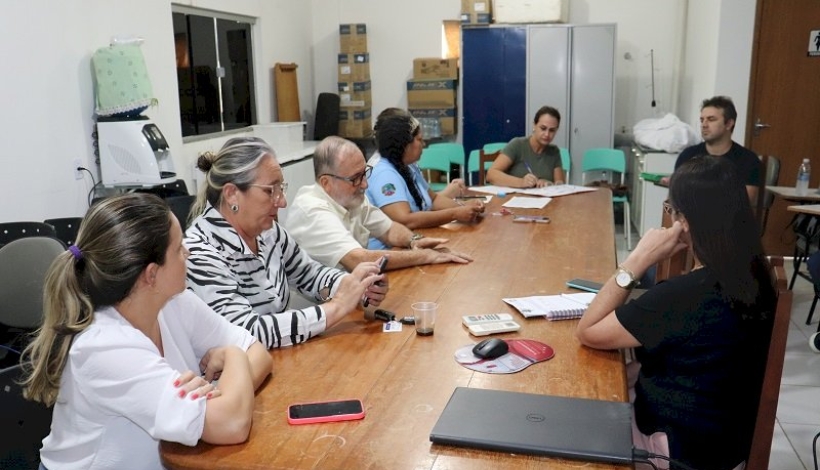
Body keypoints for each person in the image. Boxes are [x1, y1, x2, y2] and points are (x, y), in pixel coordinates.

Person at [20, 193, 273, 470]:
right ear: (151, 274)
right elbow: (232, 423)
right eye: (178, 248)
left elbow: (259, 354)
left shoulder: (174, 302)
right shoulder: (104, 346)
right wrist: (233, 359)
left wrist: (221, 397)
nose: (187, 253)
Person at [575, 156, 776, 470]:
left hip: (675, 453)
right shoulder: (756, 274)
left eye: (671, 210)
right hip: (724, 442)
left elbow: (588, 331)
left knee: (574, 411)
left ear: (686, 221)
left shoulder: (686, 294)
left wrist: (637, 259)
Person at [185, 137, 387, 349]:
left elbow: (309, 274)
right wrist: (335, 308)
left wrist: (352, 285)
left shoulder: (268, 231)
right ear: (232, 194)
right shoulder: (199, 252)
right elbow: (245, 332)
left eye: (281, 188)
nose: (282, 202)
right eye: (270, 191)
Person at [284, 135, 474, 271]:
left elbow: (389, 230)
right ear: (326, 183)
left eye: (364, 173)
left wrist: (415, 241)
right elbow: (358, 259)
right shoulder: (312, 210)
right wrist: (425, 256)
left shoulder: (350, 197)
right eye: (356, 178)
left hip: (353, 293)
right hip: (321, 309)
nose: (365, 184)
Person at [366, 113, 484, 249]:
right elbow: (405, 220)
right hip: (389, 250)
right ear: (404, 144)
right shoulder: (384, 173)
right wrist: (454, 214)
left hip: (417, 238)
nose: (424, 144)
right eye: (419, 140)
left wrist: (464, 207)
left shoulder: (408, 165)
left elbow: (433, 200)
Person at [666, 96, 760, 203]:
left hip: (728, 218)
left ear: (729, 124)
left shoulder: (748, 160)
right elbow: (672, 200)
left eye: (711, 119)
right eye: (702, 120)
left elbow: (745, 203)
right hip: (689, 218)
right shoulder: (688, 156)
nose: (704, 125)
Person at [486, 105, 565, 188]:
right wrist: (521, 182)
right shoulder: (518, 144)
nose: (547, 134)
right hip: (515, 198)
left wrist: (549, 183)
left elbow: (560, 185)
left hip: (542, 200)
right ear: (534, 125)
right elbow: (491, 174)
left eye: (552, 130)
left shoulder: (554, 151)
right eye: (543, 128)